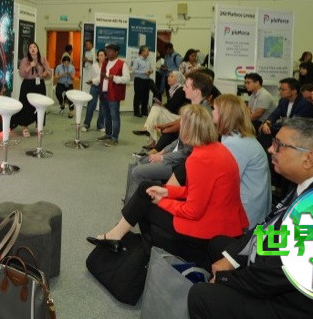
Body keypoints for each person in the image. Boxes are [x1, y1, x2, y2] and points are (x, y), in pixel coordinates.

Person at [188, 118, 313, 319]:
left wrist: (226, 279)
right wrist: (232, 259)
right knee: (220, 245)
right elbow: (271, 224)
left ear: (309, 158)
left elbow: (277, 273)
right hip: (282, 271)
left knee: (201, 296)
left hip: (303, 305)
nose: (270, 149)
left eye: (279, 145)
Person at [90, 105, 248, 270]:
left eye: (182, 124)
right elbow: (199, 191)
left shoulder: (199, 159)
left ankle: (143, 251)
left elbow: (193, 211)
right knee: (147, 188)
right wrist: (167, 191)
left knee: (145, 204)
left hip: (208, 228)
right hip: (223, 222)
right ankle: (117, 236)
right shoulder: (216, 149)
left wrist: (161, 201)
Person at [128, 72, 214, 189]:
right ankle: (140, 196)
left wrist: (163, 157)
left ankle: (154, 195)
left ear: (197, 92)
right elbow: (180, 141)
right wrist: (162, 151)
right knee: (141, 161)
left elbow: (188, 152)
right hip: (178, 157)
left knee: (137, 171)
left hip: (181, 165)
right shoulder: (196, 110)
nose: (183, 88)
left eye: (186, 86)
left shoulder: (201, 115)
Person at [213, 95, 271, 226]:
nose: (212, 112)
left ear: (224, 114)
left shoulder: (235, 142)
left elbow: (225, 182)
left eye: (214, 109)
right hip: (247, 202)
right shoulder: (235, 137)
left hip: (246, 211)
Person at [133, 71, 188, 149]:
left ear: (177, 79)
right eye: (169, 76)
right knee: (155, 115)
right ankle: (152, 140)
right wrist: (162, 105)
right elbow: (172, 105)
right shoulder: (173, 89)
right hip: (174, 115)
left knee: (155, 110)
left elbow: (172, 107)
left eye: (171, 76)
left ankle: (147, 129)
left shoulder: (180, 90)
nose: (168, 78)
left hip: (179, 118)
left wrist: (162, 105)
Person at [11, 42, 52, 138]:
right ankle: (25, 127)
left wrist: (46, 73)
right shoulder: (25, 60)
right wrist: (30, 66)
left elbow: (49, 71)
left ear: (37, 49)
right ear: (28, 50)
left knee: (40, 105)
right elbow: (21, 73)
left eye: (34, 47)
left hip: (39, 84)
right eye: (30, 47)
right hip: (28, 85)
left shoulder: (42, 59)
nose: (33, 49)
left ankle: (38, 125)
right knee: (26, 105)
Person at [97, 43, 130, 146]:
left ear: (116, 52)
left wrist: (115, 78)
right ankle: (108, 134)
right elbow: (102, 78)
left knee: (114, 116)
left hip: (114, 94)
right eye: (107, 50)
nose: (107, 52)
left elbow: (127, 78)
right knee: (106, 115)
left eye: (110, 51)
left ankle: (114, 138)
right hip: (104, 93)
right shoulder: (105, 63)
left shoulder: (122, 64)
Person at [82, 49, 106, 132]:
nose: (100, 57)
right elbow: (93, 76)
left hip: (103, 87)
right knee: (91, 105)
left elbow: (102, 77)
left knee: (103, 106)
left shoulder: (107, 66)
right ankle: (86, 124)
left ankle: (100, 125)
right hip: (94, 86)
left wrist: (93, 81)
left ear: (105, 56)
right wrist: (93, 81)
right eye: (99, 55)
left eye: (102, 55)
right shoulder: (94, 65)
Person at [131, 46, 156, 117]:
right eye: (147, 51)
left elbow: (150, 69)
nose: (148, 52)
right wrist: (144, 72)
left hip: (147, 80)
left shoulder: (148, 61)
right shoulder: (137, 60)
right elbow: (134, 70)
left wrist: (151, 71)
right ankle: (136, 112)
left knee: (146, 96)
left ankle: (144, 111)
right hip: (139, 80)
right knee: (138, 96)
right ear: (142, 52)